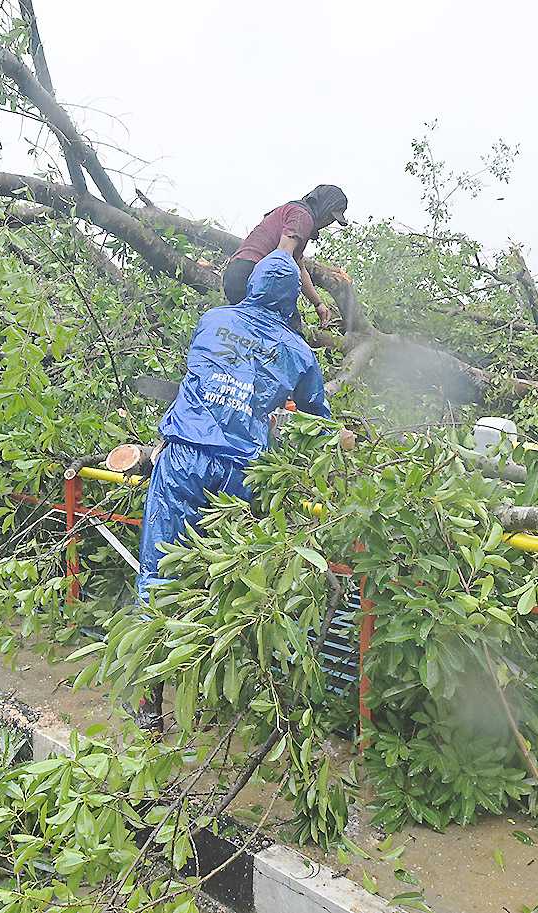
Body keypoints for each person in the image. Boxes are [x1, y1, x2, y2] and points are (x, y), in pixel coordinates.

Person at [132, 251, 352, 731]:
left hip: (184, 460)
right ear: (292, 298)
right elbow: (319, 419)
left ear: (251, 285)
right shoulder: (298, 351)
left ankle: (151, 705)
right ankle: (221, 694)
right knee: (227, 579)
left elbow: (208, 373)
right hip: (244, 475)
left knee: (158, 572)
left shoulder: (212, 320)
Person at [223, 185, 349, 328]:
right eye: (330, 216)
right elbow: (280, 261)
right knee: (289, 329)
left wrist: (318, 303)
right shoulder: (302, 216)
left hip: (237, 273)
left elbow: (300, 268)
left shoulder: (295, 212)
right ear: (324, 206)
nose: (328, 222)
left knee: (251, 330)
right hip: (252, 275)